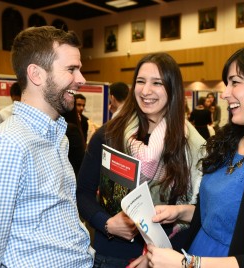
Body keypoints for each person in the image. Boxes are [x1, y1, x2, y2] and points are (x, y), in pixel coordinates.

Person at [132, 43, 244, 268]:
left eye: (235, 82)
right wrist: (180, 212)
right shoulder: (229, 142)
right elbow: (220, 216)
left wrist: (188, 264)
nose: (225, 93)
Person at [0, 26, 94, 267]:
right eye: (71, 69)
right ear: (36, 74)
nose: (81, 79)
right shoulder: (6, 147)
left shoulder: (57, 136)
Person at [77, 52, 205, 267]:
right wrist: (106, 223)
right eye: (140, 81)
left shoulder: (190, 146)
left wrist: (157, 255)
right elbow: (82, 192)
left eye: (157, 83)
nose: (146, 91)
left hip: (166, 257)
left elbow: (199, 211)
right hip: (112, 254)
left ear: (173, 89)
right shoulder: (110, 134)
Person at [62, 106, 86, 178]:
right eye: (78, 105)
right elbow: (80, 158)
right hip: (72, 175)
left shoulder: (68, 128)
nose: (81, 108)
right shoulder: (71, 129)